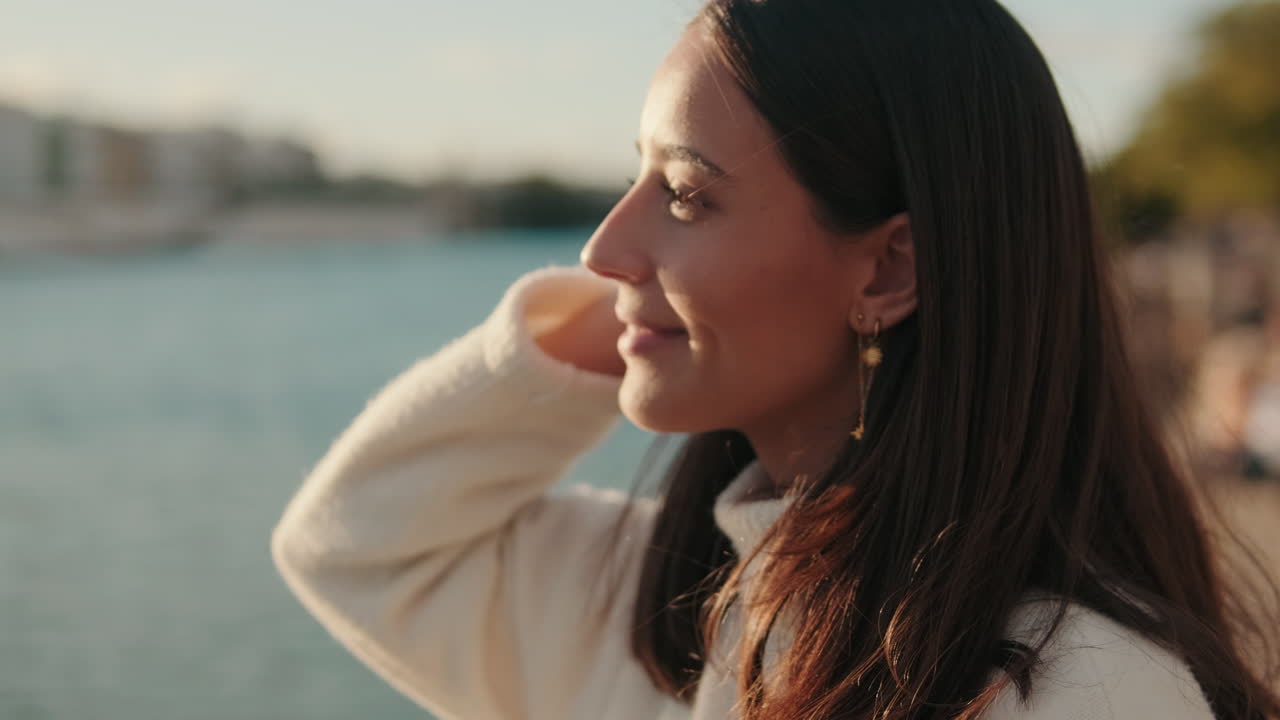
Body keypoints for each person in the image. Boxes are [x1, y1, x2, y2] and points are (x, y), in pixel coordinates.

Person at [271, 1, 1280, 718]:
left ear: (888, 265)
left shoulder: (1076, 691)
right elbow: (355, 544)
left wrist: (662, 317)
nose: (598, 250)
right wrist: (635, 321)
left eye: (682, 193)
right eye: (633, 178)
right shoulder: (657, 617)